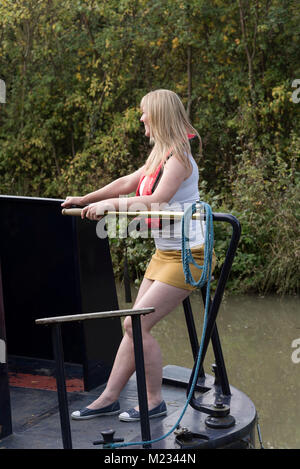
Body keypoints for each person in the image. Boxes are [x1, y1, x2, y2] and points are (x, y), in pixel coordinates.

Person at [61, 89, 215, 422]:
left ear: (159, 114)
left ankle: (154, 401)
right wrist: (86, 198)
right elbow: (129, 182)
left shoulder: (180, 158)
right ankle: (108, 398)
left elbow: (156, 200)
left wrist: (108, 208)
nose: (141, 118)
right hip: (165, 253)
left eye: (145, 112)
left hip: (190, 257)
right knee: (131, 324)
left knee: (137, 325)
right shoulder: (161, 153)